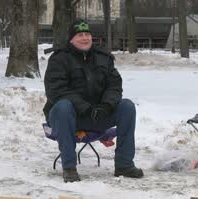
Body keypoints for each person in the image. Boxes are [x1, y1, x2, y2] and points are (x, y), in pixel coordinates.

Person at [43, 19, 144, 183]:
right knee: (63, 106)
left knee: (127, 106)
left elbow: (114, 86)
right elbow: (57, 91)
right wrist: (86, 108)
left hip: (97, 114)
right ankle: (69, 167)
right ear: (71, 39)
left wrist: (106, 106)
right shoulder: (59, 59)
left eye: (87, 34)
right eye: (80, 35)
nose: (85, 38)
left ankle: (124, 165)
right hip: (67, 117)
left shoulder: (103, 57)